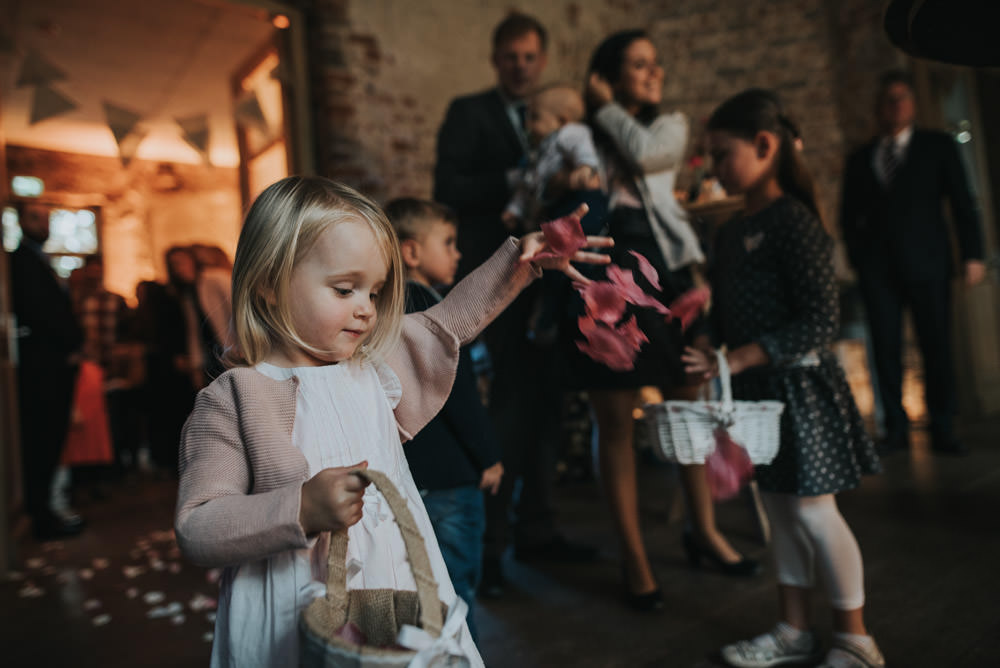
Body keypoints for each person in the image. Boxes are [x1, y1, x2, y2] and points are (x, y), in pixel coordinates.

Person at [174, 176, 611, 667]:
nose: (366, 310)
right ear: (269, 287)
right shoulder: (235, 397)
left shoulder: (373, 367)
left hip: (394, 584)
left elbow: (449, 320)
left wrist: (521, 262)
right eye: (345, 289)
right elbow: (198, 525)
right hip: (291, 605)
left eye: (375, 292)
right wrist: (297, 510)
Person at [683, 88, 883, 668]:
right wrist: (706, 339)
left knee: (816, 512)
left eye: (722, 155)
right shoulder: (728, 233)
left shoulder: (795, 222)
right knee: (781, 513)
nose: (715, 169)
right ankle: (794, 630)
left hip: (801, 392)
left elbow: (821, 319)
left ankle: (857, 639)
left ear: (765, 146)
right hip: (756, 396)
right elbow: (724, 312)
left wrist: (743, 357)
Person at [578, 30, 756, 613]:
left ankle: (704, 532)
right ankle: (635, 558)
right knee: (616, 422)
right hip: (603, 271)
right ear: (611, 70)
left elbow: (650, 157)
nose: (654, 74)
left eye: (657, 65)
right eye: (638, 65)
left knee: (690, 405)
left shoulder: (670, 125)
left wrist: (605, 105)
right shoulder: (581, 135)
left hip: (666, 267)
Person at [435, 11, 596, 598]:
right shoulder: (469, 113)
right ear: (496, 59)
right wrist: (519, 175)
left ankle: (540, 527)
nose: (521, 65)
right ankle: (492, 547)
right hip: (497, 277)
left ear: (542, 59)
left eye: (531, 56)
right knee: (507, 407)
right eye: (511, 56)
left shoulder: (568, 121)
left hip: (553, 281)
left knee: (549, 404)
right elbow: (446, 187)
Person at [839, 69, 984, 456]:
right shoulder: (861, 157)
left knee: (936, 345)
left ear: (913, 104)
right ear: (880, 108)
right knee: (885, 348)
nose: (896, 105)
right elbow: (847, 214)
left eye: (903, 98)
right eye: (889, 99)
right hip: (877, 270)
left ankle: (943, 424)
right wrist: (859, 258)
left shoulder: (937, 146)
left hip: (928, 263)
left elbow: (962, 202)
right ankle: (896, 427)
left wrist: (972, 254)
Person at [385, 197, 504, 641]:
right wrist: (488, 455)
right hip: (453, 478)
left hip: (414, 477)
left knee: (423, 588)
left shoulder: (388, 308)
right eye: (448, 242)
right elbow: (459, 395)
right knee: (456, 591)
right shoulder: (432, 309)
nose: (457, 253)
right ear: (411, 252)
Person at [8, 200, 85, 540]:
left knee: (52, 437)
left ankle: (45, 509)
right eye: (36, 218)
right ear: (21, 221)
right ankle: (40, 514)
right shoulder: (19, 262)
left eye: (46, 219)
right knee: (40, 439)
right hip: (41, 367)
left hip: (54, 363)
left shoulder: (39, 261)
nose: (43, 224)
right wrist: (66, 343)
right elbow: (40, 313)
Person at [502, 84, 601, 230]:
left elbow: (582, 146)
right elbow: (528, 184)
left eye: (535, 117)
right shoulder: (539, 151)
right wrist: (514, 209)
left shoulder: (567, 133)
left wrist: (585, 166)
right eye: (527, 117)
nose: (527, 124)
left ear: (562, 121)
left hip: (572, 202)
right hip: (546, 212)